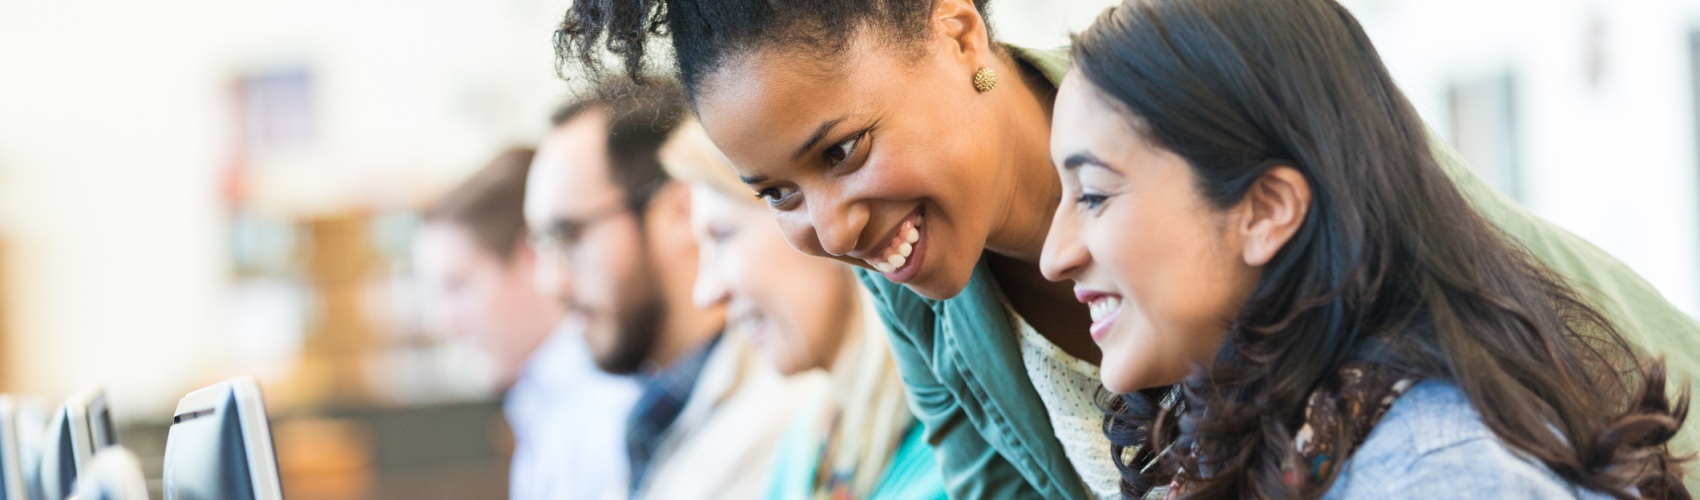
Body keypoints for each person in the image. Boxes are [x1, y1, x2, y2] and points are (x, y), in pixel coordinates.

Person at [553, 1, 1700, 497]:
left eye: (844, 149)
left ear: (959, 31)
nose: (832, 228)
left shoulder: (1203, 111)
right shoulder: (921, 288)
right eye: (774, 194)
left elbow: (1465, 321)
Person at [1042, 0, 1690, 497]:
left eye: (1094, 195)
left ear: (1266, 210)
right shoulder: (1293, 443)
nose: (1054, 254)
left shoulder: (1432, 471)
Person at [523, 81, 818, 500]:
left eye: (569, 236)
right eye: (542, 245)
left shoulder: (780, 419)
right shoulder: (653, 412)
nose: (551, 283)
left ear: (679, 212)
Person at [659, 118, 947, 499]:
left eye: (723, 235)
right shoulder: (807, 445)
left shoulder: (952, 443)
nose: (706, 292)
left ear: (813, 215)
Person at [414, 148, 640, 500]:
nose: (442, 322)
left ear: (530, 258)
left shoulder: (607, 411)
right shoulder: (544, 405)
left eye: (457, 286)